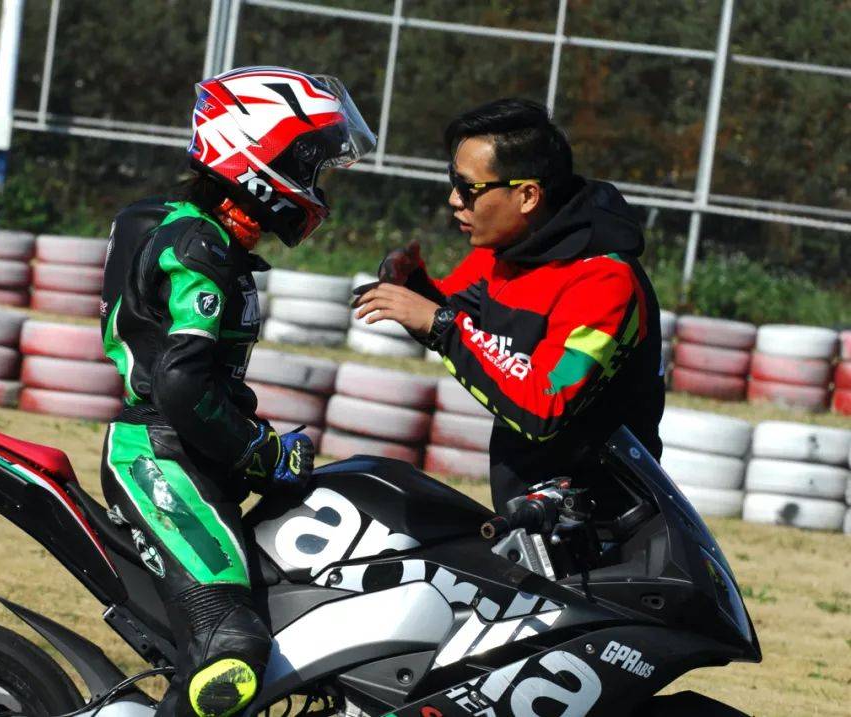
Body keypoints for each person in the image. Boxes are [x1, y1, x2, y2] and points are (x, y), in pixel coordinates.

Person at [98, 67, 374, 717]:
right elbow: (180, 382)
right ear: (259, 155)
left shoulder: (192, 230)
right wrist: (260, 451)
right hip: (161, 460)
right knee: (233, 648)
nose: (316, 179)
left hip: (186, 456)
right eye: (309, 161)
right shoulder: (199, 245)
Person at [356, 98, 664, 511]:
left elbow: (545, 406)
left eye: (469, 188)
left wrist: (438, 323)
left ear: (528, 196)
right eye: (452, 181)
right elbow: (463, 325)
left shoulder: (605, 282)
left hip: (606, 523)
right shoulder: (504, 254)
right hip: (535, 511)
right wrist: (414, 287)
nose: (454, 199)